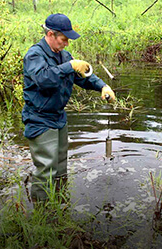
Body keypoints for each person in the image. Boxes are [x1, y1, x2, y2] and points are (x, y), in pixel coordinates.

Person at [22, 13, 116, 201]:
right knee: (46, 169)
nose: (67, 44)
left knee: (61, 165)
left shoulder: (64, 55)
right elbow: (44, 79)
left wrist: (102, 86)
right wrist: (70, 66)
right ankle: (42, 215)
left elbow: (82, 76)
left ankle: (60, 203)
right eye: (64, 39)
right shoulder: (34, 55)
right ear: (50, 34)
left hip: (59, 118)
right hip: (39, 119)